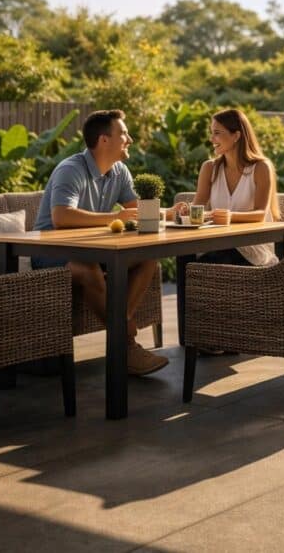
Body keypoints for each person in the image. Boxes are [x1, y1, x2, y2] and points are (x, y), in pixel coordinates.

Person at [33, 109, 167, 376]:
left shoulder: (119, 171)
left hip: (92, 249)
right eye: (124, 133)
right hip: (50, 252)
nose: (129, 138)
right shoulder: (71, 169)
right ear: (104, 140)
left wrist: (173, 213)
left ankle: (122, 325)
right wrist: (115, 217)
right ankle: (126, 343)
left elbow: (136, 210)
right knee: (89, 269)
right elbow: (61, 217)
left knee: (149, 258)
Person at [172, 108, 280, 267]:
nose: (211, 139)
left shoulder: (261, 167)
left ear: (236, 136)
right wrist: (187, 211)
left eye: (217, 133)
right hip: (218, 242)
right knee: (183, 252)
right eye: (211, 133)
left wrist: (224, 216)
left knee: (212, 259)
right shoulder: (209, 168)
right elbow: (198, 207)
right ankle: (187, 293)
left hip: (252, 246)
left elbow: (260, 215)